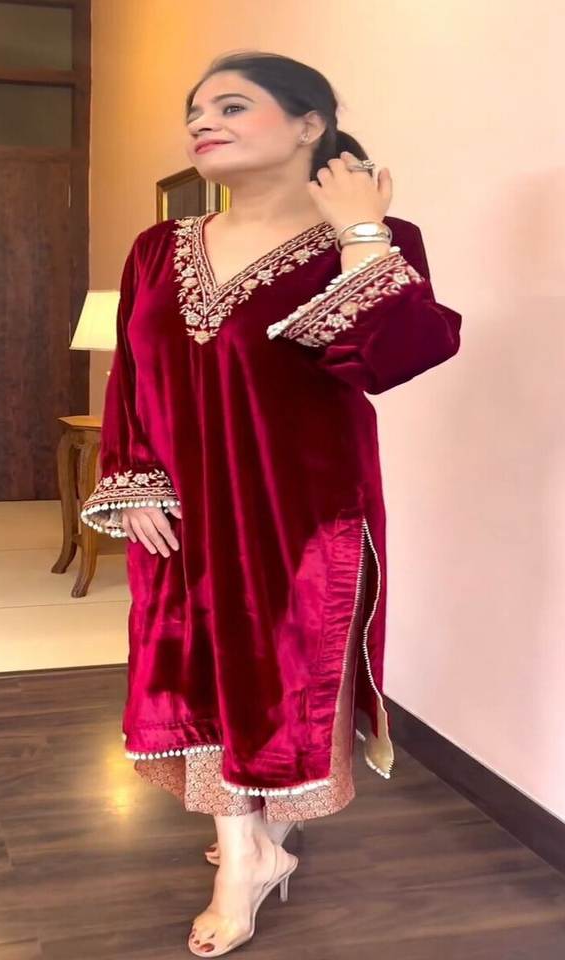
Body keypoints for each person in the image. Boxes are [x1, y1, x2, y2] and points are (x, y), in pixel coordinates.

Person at [80, 50, 462, 957]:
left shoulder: (376, 238)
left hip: (303, 518)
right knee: (198, 677)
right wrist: (132, 477)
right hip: (182, 513)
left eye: (231, 106)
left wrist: (361, 232)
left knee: (281, 683)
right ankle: (248, 850)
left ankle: (246, 859)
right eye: (195, 110)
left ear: (308, 125)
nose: (201, 122)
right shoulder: (156, 249)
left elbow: (396, 357)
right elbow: (132, 376)